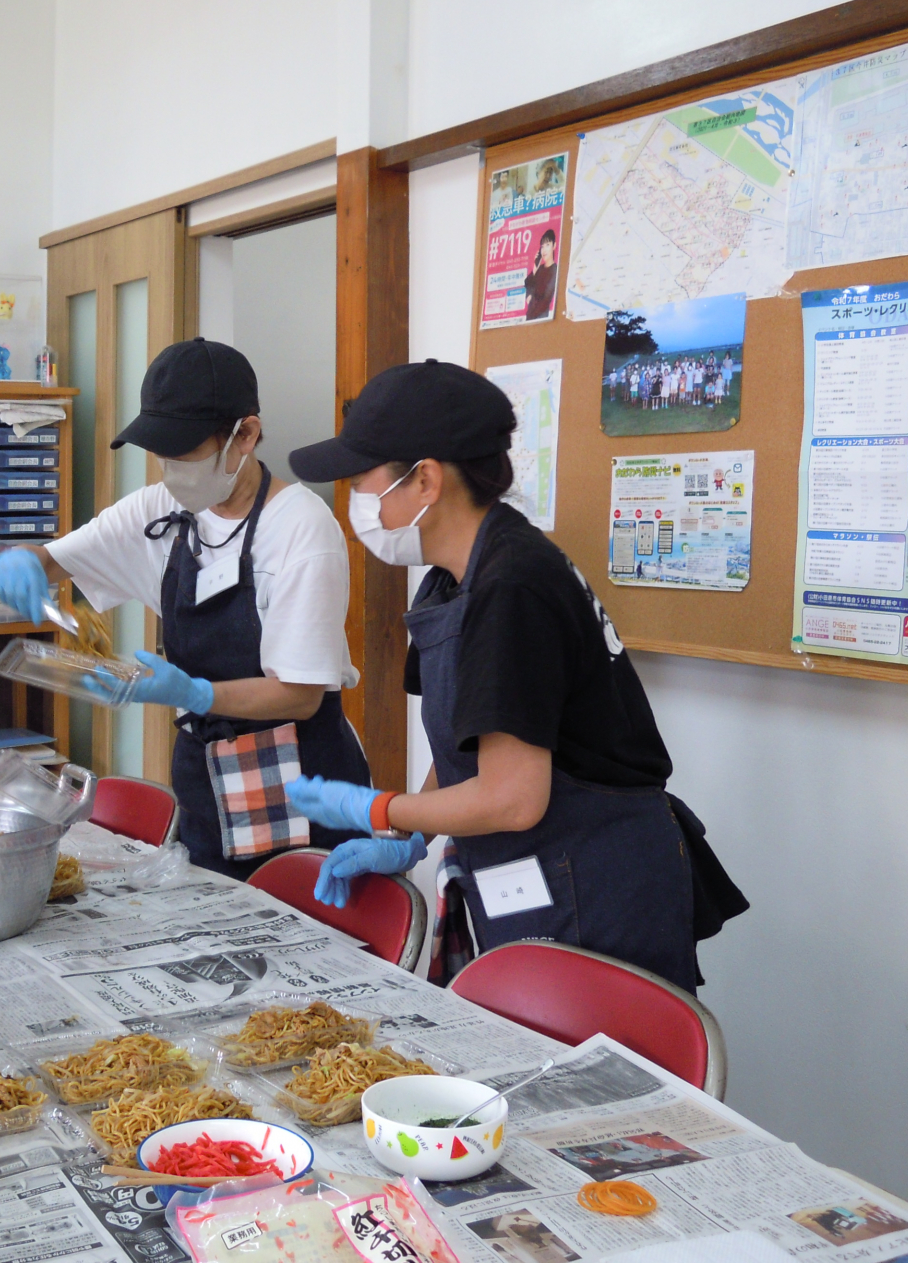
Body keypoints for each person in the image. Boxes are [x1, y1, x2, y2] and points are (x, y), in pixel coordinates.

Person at [282, 359, 746, 990]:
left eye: (362, 479)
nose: (355, 500)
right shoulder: (453, 578)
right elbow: (464, 749)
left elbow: (512, 797)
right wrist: (410, 831)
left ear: (424, 481)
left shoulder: (513, 585)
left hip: (594, 881)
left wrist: (381, 806)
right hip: (534, 875)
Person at [0, 338, 366, 880]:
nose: (170, 469)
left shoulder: (301, 529)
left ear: (247, 435)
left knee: (297, 926)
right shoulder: (161, 508)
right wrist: (23, 563)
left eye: (184, 452)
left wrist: (194, 693)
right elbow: (53, 560)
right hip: (203, 772)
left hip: (299, 779)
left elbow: (302, 694)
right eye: (160, 452)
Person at [524, 230, 558, 321]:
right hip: (529, 318)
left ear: (554, 246)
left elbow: (545, 299)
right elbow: (527, 282)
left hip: (541, 318)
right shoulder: (539, 269)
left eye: (548, 245)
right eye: (542, 247)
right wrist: (535, 270)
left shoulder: (555, 270)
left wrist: (531, 298)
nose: (544, 250)